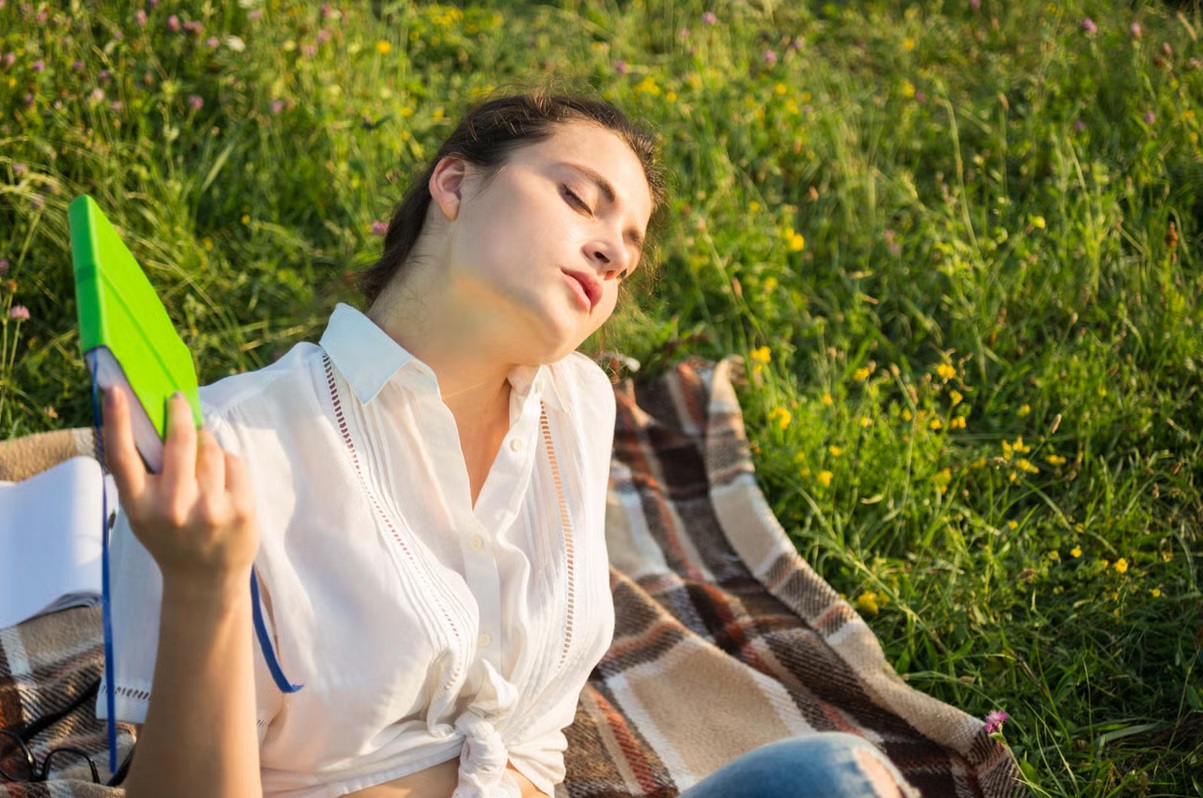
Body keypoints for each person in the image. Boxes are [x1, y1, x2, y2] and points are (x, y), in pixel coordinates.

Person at [99, 90, 907, 798]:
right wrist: (203, 581)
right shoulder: (231, 448)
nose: (613, 252)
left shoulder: (581, 407)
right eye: (579, 198)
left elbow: (533, 731)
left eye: (628, 250)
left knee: (837, 774)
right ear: (454, 184)